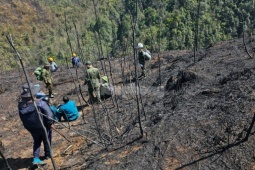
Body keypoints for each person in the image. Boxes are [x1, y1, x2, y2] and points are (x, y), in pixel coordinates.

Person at [18, 83, 54, 165]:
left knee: (37, 141)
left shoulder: (21, 105)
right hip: (43, 126)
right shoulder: (40, 103)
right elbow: (49, 114)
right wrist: (50, 123)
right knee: (47, 139)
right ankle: (48, 154)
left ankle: (36, 158)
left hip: (31, 128)